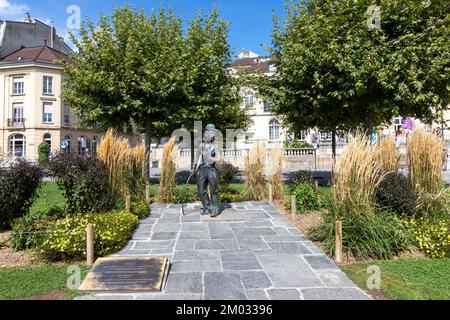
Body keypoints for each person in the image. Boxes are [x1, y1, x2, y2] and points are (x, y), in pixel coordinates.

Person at [193, 124, 222, 217]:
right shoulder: (201, 146)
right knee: (201, 191)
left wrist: (210, 157)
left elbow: (219, 158)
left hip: (211, 169)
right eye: (208, 132)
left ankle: (215, 209)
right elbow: (196, 157)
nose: (210, 134)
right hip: (201, 169)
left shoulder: (215, 146)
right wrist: (193, 168)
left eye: (212, 133)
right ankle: (207, 207)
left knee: (213, 190)